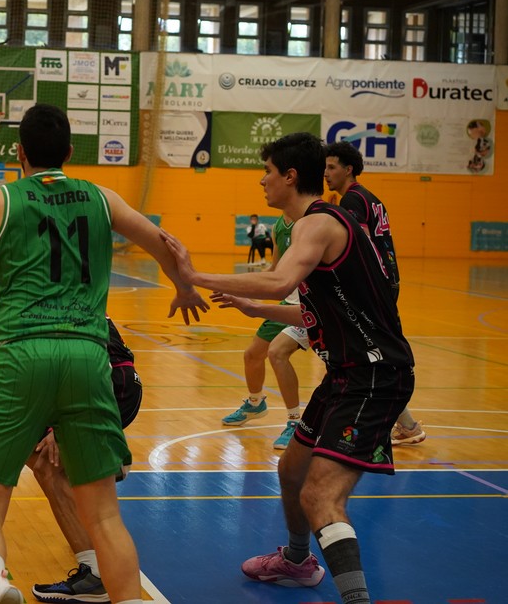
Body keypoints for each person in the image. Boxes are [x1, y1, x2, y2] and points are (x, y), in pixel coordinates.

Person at [0, 104, 207, 604]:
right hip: (88, 354)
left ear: (19, 153)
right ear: (70, 153)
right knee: (103, 515)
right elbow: (163, 241)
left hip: (21, 353)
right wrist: (183, 284)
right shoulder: (102, 198)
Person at [163, 131, 415, 604]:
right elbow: (314, 312)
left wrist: (192, 275)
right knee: (291, 471)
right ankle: (298, 563)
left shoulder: (318, 223)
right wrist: (257, 311)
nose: (262, 182)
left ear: (290, 176)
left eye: (267, 172)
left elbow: (280, 281)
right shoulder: (316, 228)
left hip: (375, 376)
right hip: (346, 374)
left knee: (321, 498)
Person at [29, 317, 142, 603]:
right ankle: (101, 460)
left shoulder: (53, 305)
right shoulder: (74, 291)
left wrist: (60, 426)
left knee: (47, 464)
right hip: (114, 383)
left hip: (104, 385)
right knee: (38, 455)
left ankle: (93, 576)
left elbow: (81, 362)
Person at [324, 142, 424, 446]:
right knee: (366, 355)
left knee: (363, 356)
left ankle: (375, 423)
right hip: (387, 282)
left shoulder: (353, 201)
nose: (326, 173)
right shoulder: (370, 198)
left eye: (331, 167)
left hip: (372, 287)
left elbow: (360, 248)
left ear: (348, 169)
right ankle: (406, 424)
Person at [220, 213, 308, 450]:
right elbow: (275, 269)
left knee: (278, 354)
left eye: (269, 174)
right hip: (287, 304)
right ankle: (255, 403)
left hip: (313, 307)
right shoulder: (279, 225)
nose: (263, 182)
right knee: (252, 355)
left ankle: (295, 422)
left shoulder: (313, 220)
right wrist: (246, 290)